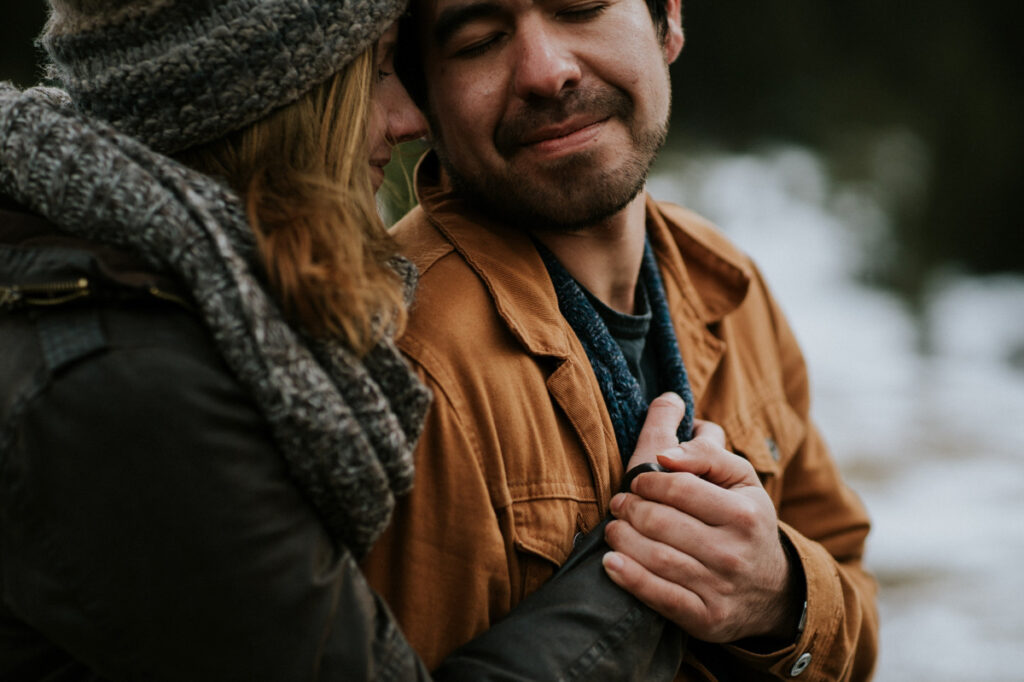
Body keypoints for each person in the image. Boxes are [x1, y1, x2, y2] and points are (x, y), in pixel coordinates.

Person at [0, 0, 692, 679]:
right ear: (276, 100)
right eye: (380, 70)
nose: (410, 118)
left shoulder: (188, 305)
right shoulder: (121, 389)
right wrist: (650, 561)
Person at [358, 0, 879, 678]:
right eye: (481, 41)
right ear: (423, 96)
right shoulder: (406, 359)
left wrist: (781, 592)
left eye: (580, 7)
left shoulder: (725, 281)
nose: (546, 73)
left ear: (668, 19)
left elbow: (855, 607)